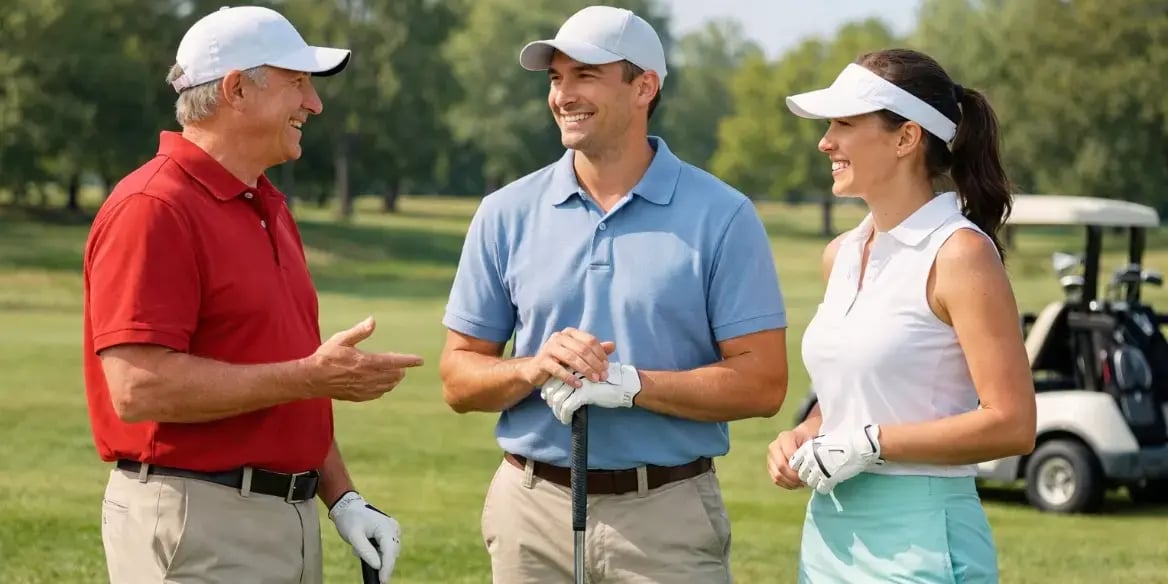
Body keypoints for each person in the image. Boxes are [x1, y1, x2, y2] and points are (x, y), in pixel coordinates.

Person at [437, 5, 788, 583]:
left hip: (667, 516)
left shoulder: (723, 216)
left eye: (585, 76)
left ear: (644, 86)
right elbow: (457, 377)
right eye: (556, 78)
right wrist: (533, 368)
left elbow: (764, 383)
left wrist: (630, 386)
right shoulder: (504, 213)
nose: (563, 95)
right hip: (531, 512)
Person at [83, 6, 419, 584]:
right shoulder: (154, 208)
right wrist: (313, 377)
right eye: (298, 83)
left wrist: (342, 498)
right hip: (197, 521)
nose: (313, 104)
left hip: (281, 517)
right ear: (237, 89)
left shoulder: (267, 206)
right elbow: (138, 388)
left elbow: (286, 375)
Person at [764, 48, 1037, 583]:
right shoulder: (839, 255)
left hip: (923, 539)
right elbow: (860, 398)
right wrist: (808, 432)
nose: (825, 141)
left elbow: (1013, 424)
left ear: (906, 138)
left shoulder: (960, 254)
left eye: (844, 123)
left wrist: (871, 443)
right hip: (829, 537)